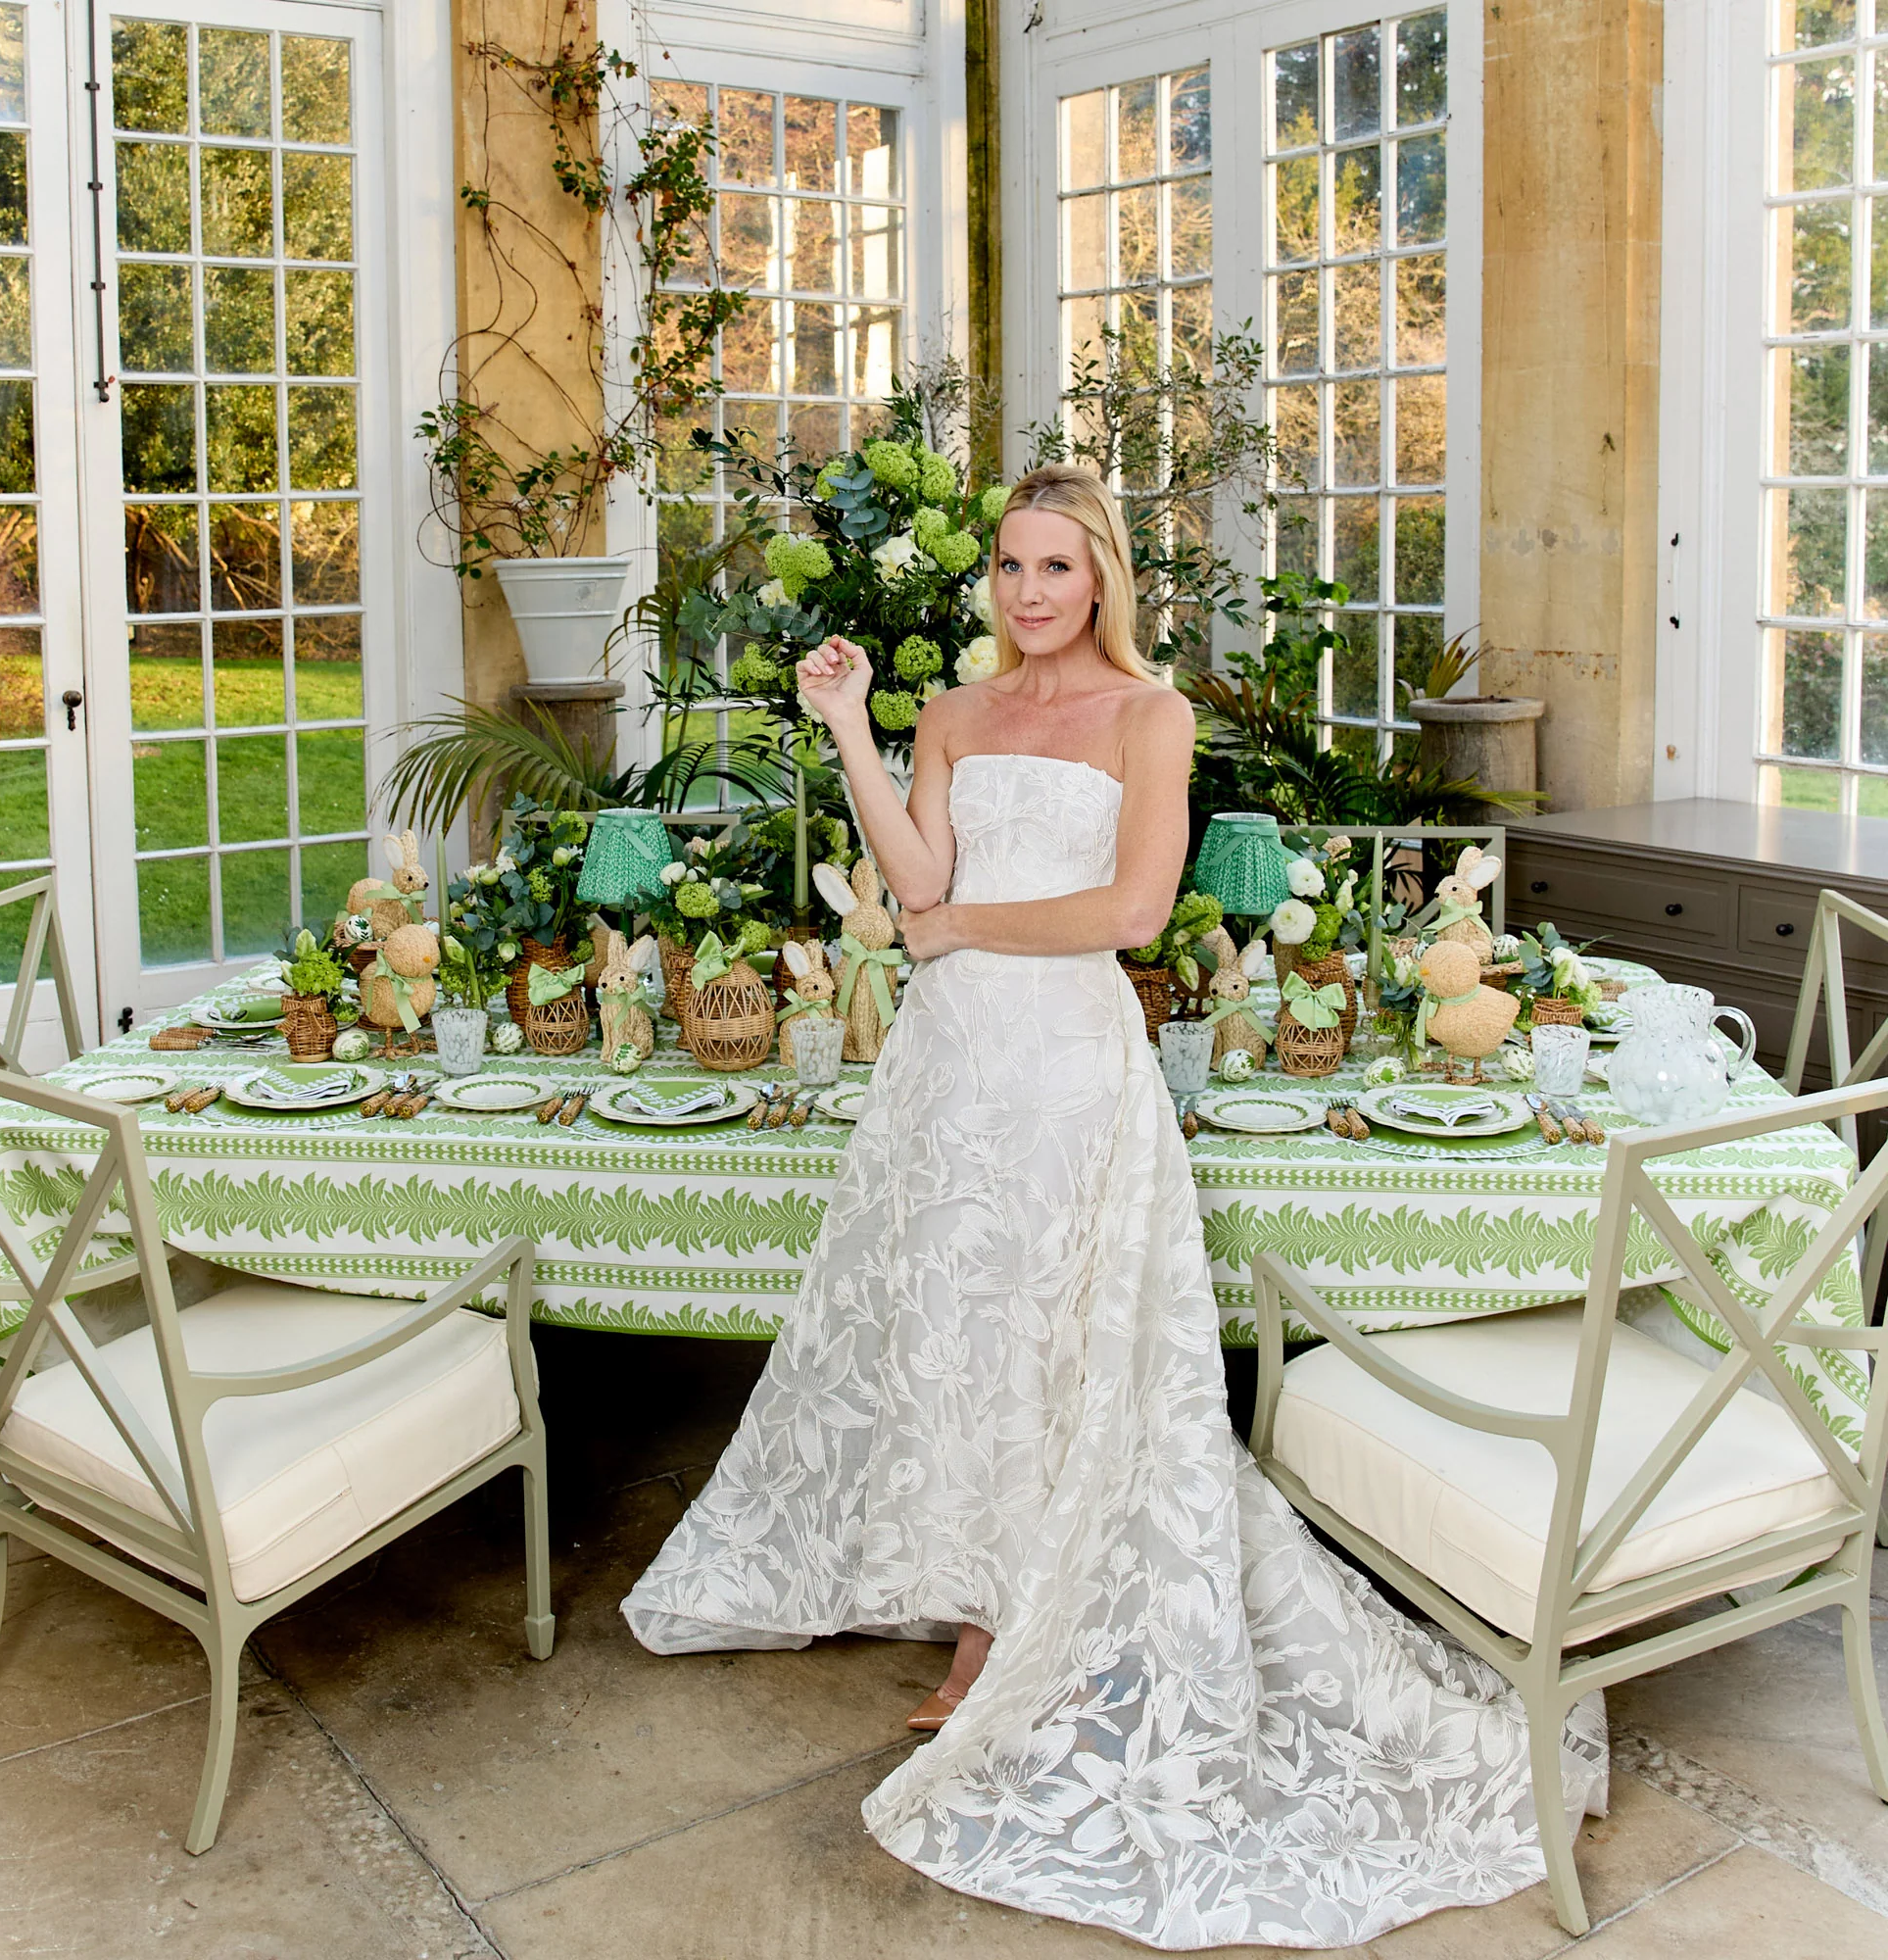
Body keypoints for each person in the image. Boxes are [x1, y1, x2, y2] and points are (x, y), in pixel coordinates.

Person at [623, 463, 1604, 1948]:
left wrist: (956, 928)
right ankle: (981, 1615)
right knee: (963, 1342)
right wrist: (850, 733)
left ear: (1101, 581)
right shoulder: (954, 713)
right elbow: (912, 876)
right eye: (1010, 567)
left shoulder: (1152, 715)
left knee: (1062, 1345)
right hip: (951, 1075)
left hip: (1073, 1071)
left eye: (1056, 568)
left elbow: (1134, 912)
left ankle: (1025, 1632)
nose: (1028, 593)